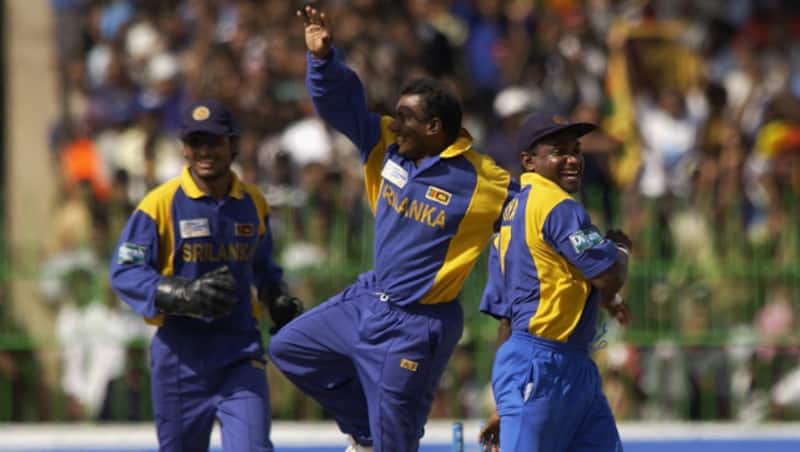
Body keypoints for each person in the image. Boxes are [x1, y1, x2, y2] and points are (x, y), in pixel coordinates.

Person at [268, 6, 517, 452]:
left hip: (418, 323)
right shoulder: (386, 145)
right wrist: (323, 61)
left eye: (405, 118)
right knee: (289, 349)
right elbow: (341, 105)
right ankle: (363, 433)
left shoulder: (484, 181)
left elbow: (533, 212)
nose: (394, 124)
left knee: (396, 444)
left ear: (434, 127)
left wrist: (586, 238)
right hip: (367, 298)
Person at [109, 99, 303, 452]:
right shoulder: (159, 204)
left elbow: (263, 266)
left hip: (239, 352)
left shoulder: (254, 202)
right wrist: (180, 293)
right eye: (195, 143)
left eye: (213, 141)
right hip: (180, 360)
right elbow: (125, 271)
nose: (205, 151)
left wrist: (276, 296)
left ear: (233, 144)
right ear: (184, 148)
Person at [477, 113, 633, 451]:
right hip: (544, 366)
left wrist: (502, 402)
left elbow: (507, 319)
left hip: (545, 364)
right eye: (558, 151)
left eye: (576, 150)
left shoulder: (511, 216)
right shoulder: (558, 206)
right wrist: (620, 249)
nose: (573, 160)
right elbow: (608, 274)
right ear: (528, 161)